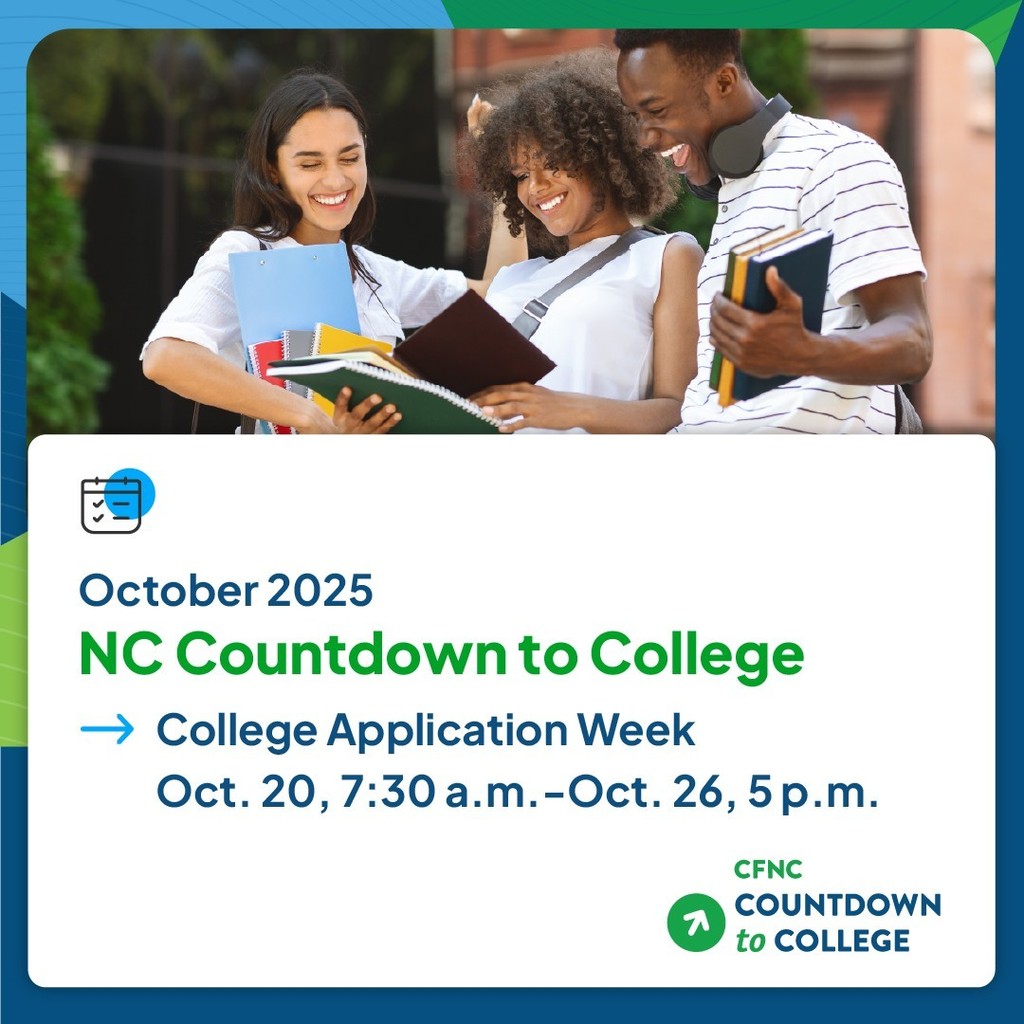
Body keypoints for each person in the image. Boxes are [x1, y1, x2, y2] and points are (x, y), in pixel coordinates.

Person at [142, 70, 523, 434]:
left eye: (349, 158)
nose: (336, 179)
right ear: (273, 169)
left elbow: (504, 291)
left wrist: (503, 170)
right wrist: (311, 419)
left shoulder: (372, 272)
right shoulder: (248, 253)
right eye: (310, 163)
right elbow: (167, 357)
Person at [615, 29, 933, 433]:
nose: (645, 137)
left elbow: (913, 344)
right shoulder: (735, 193)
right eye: (636, 116)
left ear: (724, 82)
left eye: (656, 110)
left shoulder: (837, 159)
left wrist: (805, 352)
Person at [468, 51, 704, 433]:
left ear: (601, 156)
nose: (536, 186)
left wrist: (569, 410)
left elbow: (681, 410)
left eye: (553, 162)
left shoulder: (665, 257)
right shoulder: (516, 278)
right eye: (520, 174)